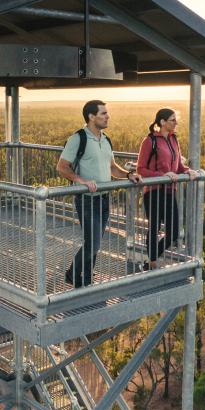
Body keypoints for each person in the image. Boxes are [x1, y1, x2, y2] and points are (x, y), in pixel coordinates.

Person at [57, 100, 142, 287]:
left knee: (94, 243)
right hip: (87, 200)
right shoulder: (78, 139)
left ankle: (85, 277)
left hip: (104, 199)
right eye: (103, 113)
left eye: (107, 113)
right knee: (93, 244)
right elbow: (62, 167)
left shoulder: (106, 139)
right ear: (91, 117)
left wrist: (129, 175)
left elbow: (112, 168)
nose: (107, 116)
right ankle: (74, 275)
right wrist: (81, 181)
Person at [137, 108, 196, 270]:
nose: (176, 123)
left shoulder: (173, 139)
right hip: (154, 192)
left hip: (170, 191)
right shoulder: (149, 141)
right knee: (154, 228)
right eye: (172, 120)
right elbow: (141, 169)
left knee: (174, 232)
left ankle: (151, 260)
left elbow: (177, 165)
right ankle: (152, 263)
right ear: (162, 122)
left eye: (176, 120)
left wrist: (186, 171)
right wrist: (163, 175)